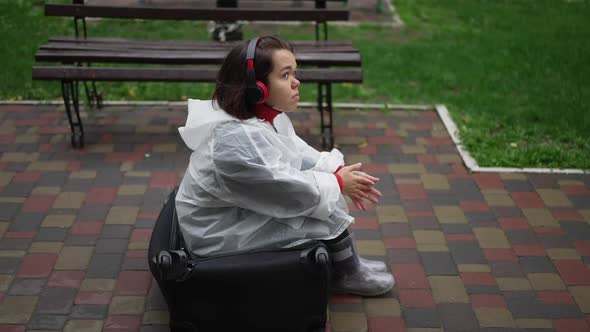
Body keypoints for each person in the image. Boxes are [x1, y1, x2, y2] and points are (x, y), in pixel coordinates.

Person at [175, 36, 394, 296]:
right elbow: (282, 186)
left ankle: (348, 264)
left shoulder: (263, 117)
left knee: (321, 194)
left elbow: (297, 153)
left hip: (230, 212)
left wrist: (333, 171)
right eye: (285, 75)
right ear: (257, 88)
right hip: (216, 230)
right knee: (318, 208)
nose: (296, 82)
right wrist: (336, 183)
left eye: (294, 73)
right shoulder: (236, 141)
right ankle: (347, 273)